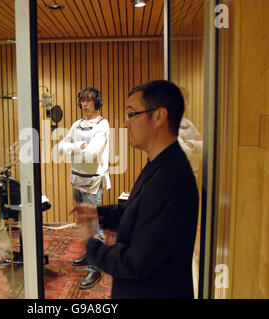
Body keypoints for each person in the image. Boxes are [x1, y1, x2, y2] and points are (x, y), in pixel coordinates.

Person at [69, 80, 199, 298]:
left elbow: (133, 263)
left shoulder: (171, 179)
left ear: (158, 116)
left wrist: (91, 244)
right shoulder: (161, 162)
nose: (126, 124)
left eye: (131, 115)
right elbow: (138, 211)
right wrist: (98, 213)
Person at [58, 87, 111, 289]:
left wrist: (75, 147)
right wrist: (76, 147)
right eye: (82, 100)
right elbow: (61, 148)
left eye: (89, 100)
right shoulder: (77, 125)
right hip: (77, 180)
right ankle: (90, 254)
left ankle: (95, 268)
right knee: (83, 223)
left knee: (94, 226)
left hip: (92, 183)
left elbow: (93, 153)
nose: (85, 104)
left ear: (97, 102)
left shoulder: (102, 124)